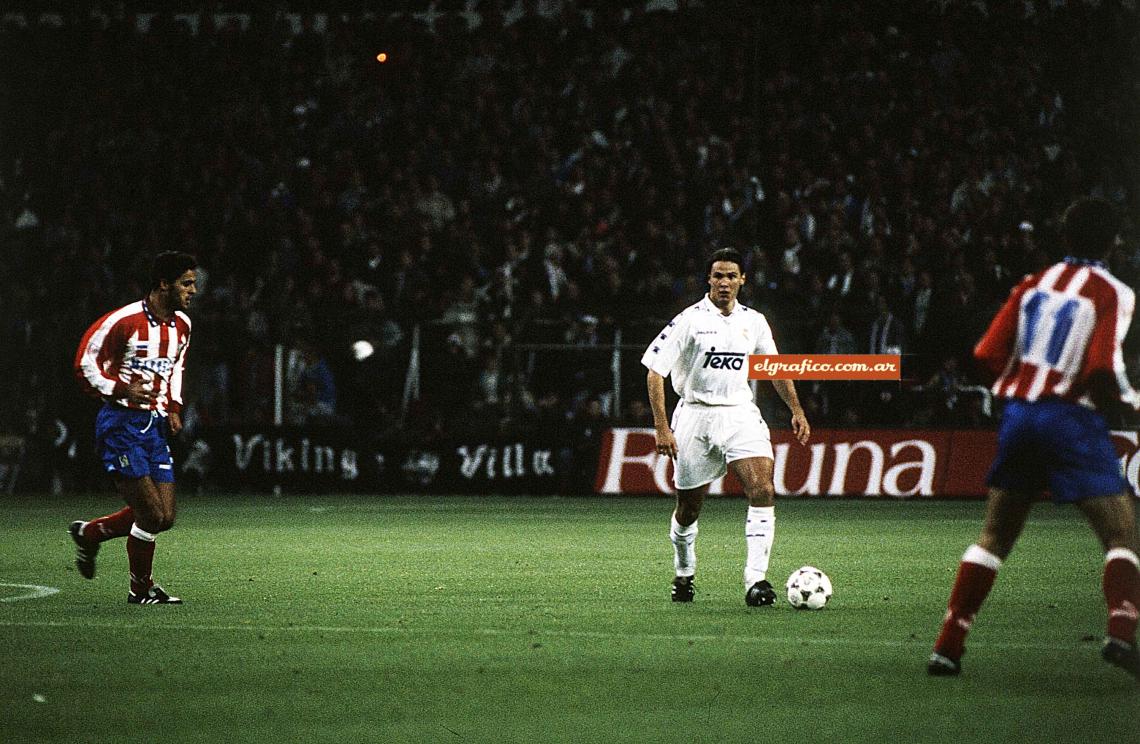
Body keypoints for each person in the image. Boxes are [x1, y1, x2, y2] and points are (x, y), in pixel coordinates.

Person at [928, 197, 1140, 680]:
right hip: (1070, 420)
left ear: (1064, 238)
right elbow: (1104, 367)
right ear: (1113, 242)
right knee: (1121, 533)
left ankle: (948, 645)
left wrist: (1022, 384)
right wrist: (1130, 399)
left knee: (996, 534)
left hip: (1020, 416)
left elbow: (985, 352)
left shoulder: (1031, 285)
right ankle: (1122, 633)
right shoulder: (1113, 292)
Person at [643, 247, 811, 606]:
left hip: (739, 413)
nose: (724, 283)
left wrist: (795, 408)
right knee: (688, 509)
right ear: (709, 279)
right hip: (695, 416)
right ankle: (684, 573)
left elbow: (774, 368)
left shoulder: (755, 321)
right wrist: (661, 427)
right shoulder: (689, 320)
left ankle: (756, 582)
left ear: (742, 280)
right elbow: (655, 371)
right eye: (718, 276)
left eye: (731, 276)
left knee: (762, 488)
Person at [68, 252, 198, 605]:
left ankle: (91, 533)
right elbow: (85, 363)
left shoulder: (182, 326)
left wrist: (172, 407)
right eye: (186, 282)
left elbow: (176, 370)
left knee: (165, 517)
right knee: (151, 514)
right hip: (120, 424)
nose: (193, 290)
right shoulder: (123, 321)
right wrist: (120, 388)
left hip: (154, 426)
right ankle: (140, 590)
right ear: (163, 284)